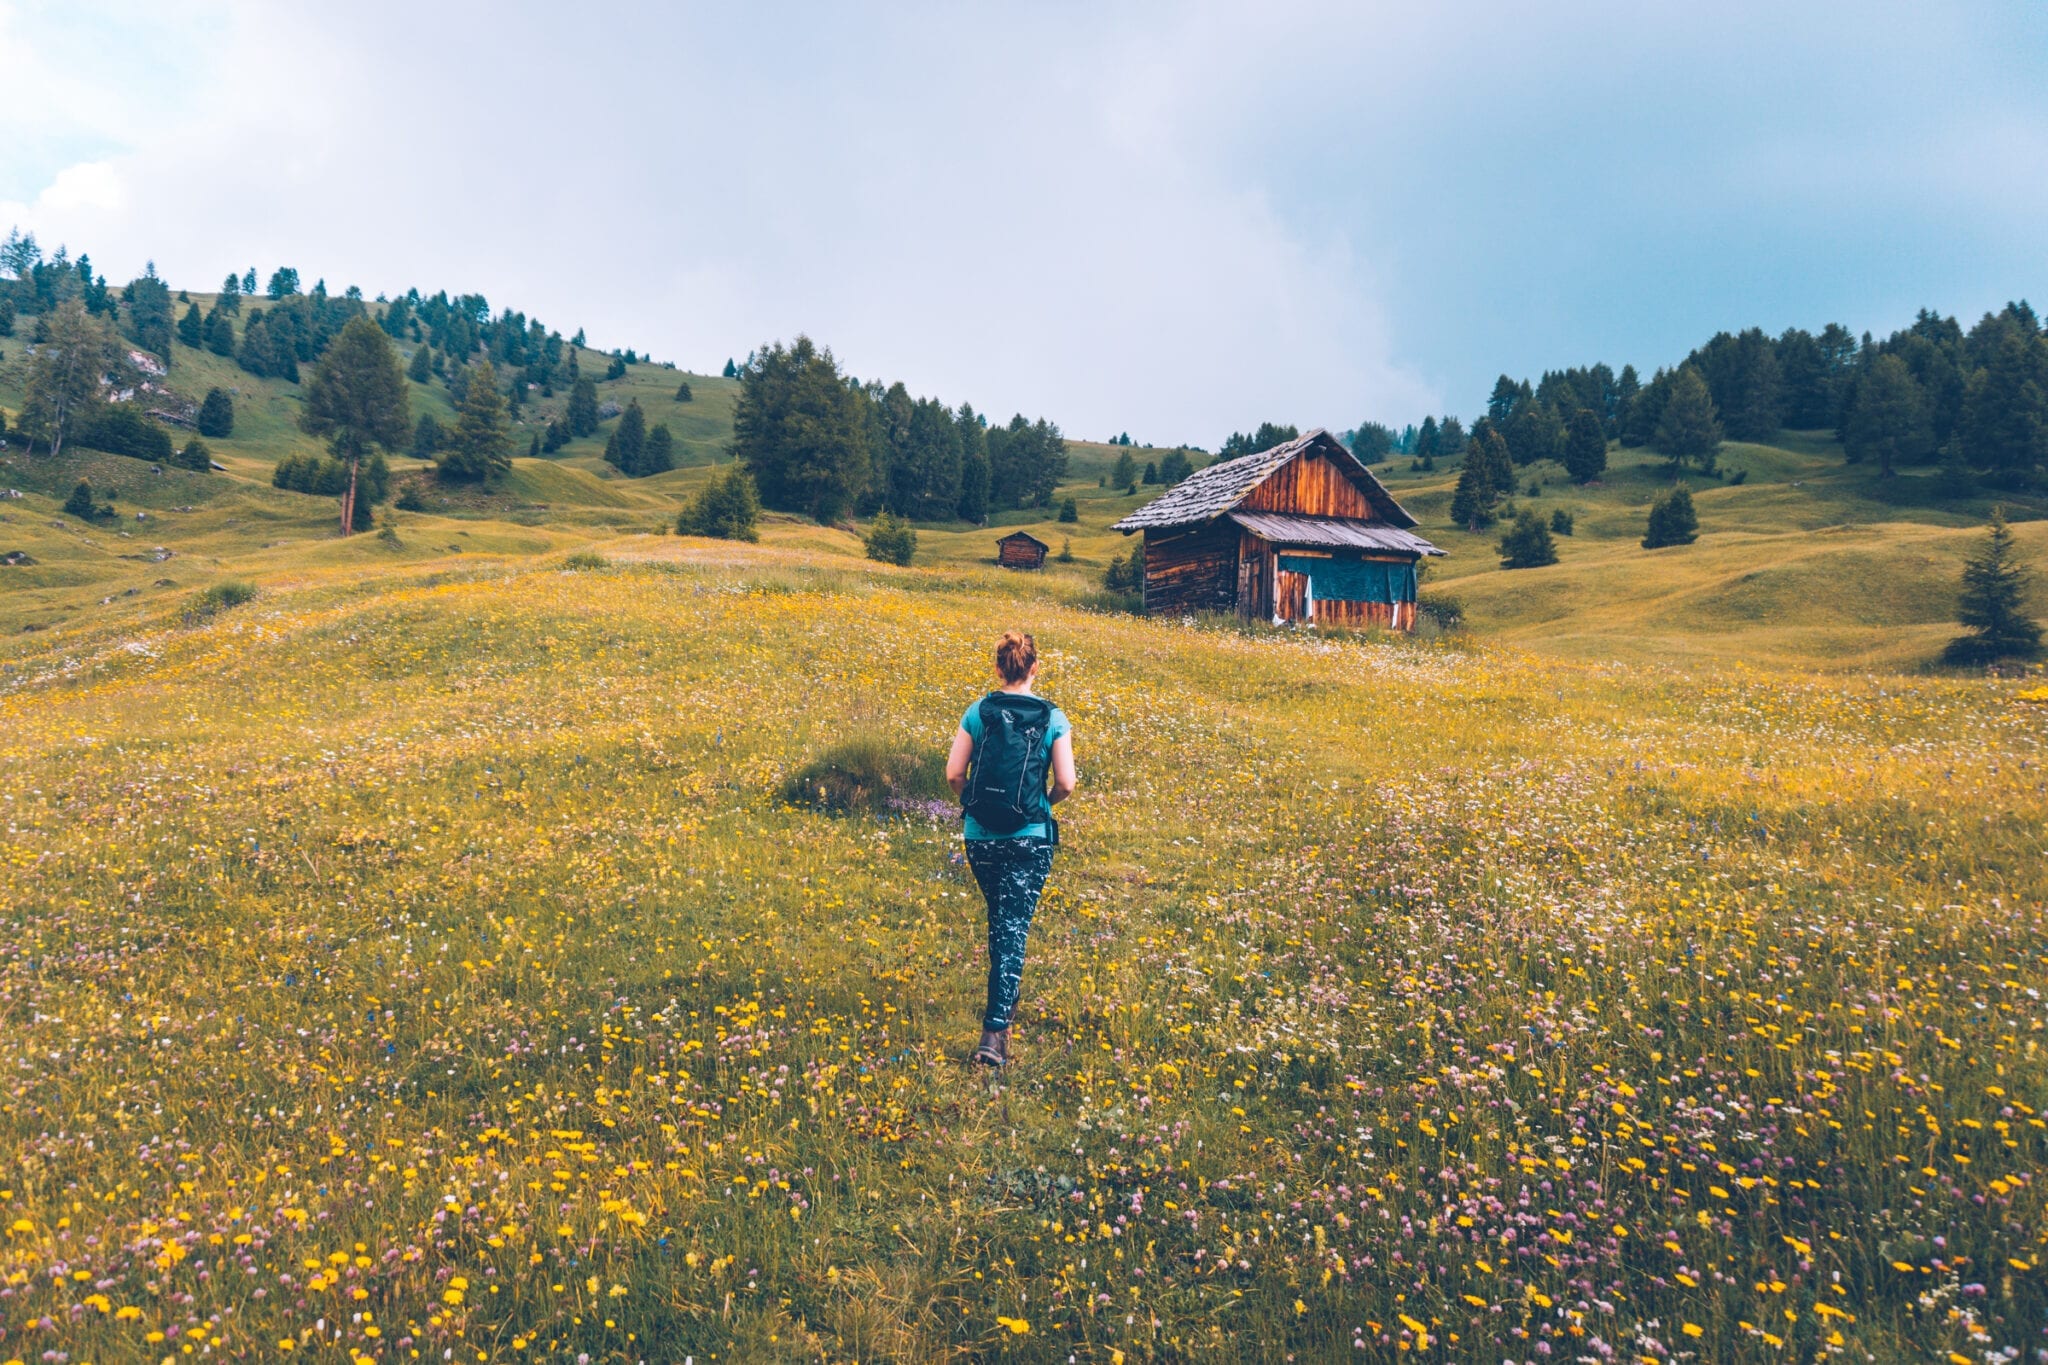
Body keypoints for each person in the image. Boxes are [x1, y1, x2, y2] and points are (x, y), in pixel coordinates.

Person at [946, 630, 1077, 1068]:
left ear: (999, 667)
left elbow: (953, 773)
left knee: (1002, 921)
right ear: (1034, 668)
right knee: (1012, 928)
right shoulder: (1053, 718)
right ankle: (994, 1032)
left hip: (980, 837)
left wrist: (972, 804)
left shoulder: (978, 711)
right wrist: (1044, 804)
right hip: (1030, 836)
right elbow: (1066, 783)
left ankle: (1004, 1002)